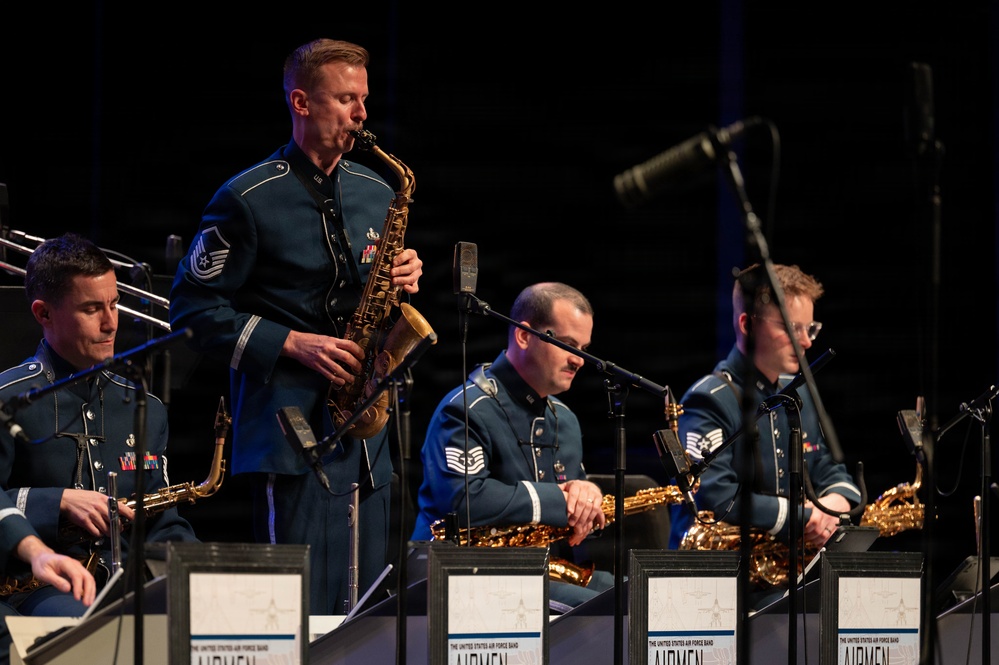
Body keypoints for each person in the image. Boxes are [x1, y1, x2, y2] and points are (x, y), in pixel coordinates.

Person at [169, 38, 424, 616]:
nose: (361, 114)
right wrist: (291, 342)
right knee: (296, 608)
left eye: (363, 99)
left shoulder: (379, 190)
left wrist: (403, 276)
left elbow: (375, 297)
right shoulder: (246, 198)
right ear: (301, 102)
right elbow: (190, 311)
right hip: (287, 429)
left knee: (365, 611)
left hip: (366, 431)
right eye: (345, 99)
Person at [0, 232, 198, 619]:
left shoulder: (147, 407)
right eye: (92, 309)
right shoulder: (8, 400)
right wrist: (55, 501)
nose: (110, 324)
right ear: (43, 314)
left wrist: (206, 574)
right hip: (32, 587)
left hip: (124, 584)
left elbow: (161, 522)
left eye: (114, 304)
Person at [668, 263, 862, 608]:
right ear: (747, 325)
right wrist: (801, 516)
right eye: (791, 328)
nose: (806, 341)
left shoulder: (799, 393)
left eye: (810, 328)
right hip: (715, 584)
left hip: (780, 574)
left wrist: (833, 506)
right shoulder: (708, 399)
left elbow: (827, 467)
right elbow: (713, 495)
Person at [412, 282, 613, 608]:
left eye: (584, 348)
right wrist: (558, 499)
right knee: (608, 612)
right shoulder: (465, 410)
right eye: (567, 344)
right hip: (465, 576)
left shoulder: (566, 420)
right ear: (523, 335)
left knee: (638, 595)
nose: (579, 360)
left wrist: (587, 497)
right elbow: (465, 501)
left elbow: (570, 509)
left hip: (537, 572)